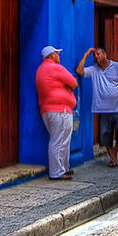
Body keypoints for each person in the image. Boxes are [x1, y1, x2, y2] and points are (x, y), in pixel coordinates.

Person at [76, 46, 118, 168]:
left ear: (105, 55)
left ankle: (115, 153)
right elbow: (79, 71)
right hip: (102, 108)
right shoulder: (94, 70)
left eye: (99, 54)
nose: (96, 56)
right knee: (105, 134)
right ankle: (113, 158)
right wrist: (86, 54)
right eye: (95, 55)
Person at [35, 45, 78, 180]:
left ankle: (63, 168)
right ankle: (57, 172)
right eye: (57, 54)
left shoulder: (41, 70)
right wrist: (67, 87)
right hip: (60, 110)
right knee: (59, 141)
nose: (59, 56)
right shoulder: (54, 67)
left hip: (48, 110)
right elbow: (74, 82)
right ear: (52, 55)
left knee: (60, 140)